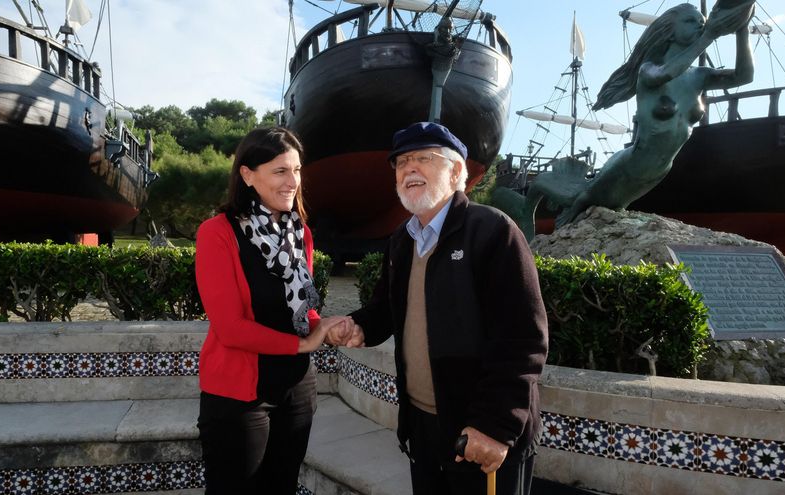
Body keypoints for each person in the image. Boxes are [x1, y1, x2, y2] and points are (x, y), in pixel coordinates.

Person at [335, 122, 549, 494]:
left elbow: (523, 340)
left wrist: (495, 426)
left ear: (455, 172)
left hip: (481, 433)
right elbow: (386, 308)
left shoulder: (494, 231)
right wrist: (358, 326)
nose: (408, 169)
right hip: (422, 428)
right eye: (401, 162)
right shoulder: (402, 239)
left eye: (422, 159)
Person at [494, 0, 755, 239]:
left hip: (659, 171)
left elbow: (744, 77)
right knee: (583, 198)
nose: (700, 24)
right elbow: (666, 72)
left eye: (702, 22)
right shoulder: (649, 70)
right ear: (670, 31)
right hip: (632, 163)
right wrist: (709, 35)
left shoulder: (701, 75)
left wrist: (741, 29)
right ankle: (541, 217)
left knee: (614, 209)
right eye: (690, 21)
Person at [194, 127, 350, 494]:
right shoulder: (218, 233)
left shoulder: (301, 233)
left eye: (296, 170)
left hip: (296, 389)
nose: (292, 181)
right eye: (280, 171)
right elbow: (230, 327)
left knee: (282, 487)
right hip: (238, 396)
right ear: (248, 175)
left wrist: (325, 326)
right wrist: (303, 345)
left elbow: (302, 312)